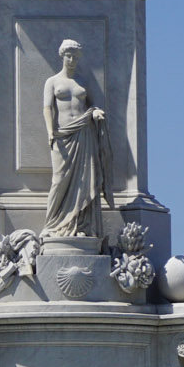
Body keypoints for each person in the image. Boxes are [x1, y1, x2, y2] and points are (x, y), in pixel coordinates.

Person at [41, 39, 114, 238]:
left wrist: (96, 113)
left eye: (75, 56)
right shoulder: (53, 81)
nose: (72, 59)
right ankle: (53, 223)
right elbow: (47, 107)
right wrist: (50, 131)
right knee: (59, 179)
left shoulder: (83, 82)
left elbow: (93, 104)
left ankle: (80, 224)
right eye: (68, 55)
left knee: (84, 179)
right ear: (62, 56)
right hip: (63, 135)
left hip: (84, 133)